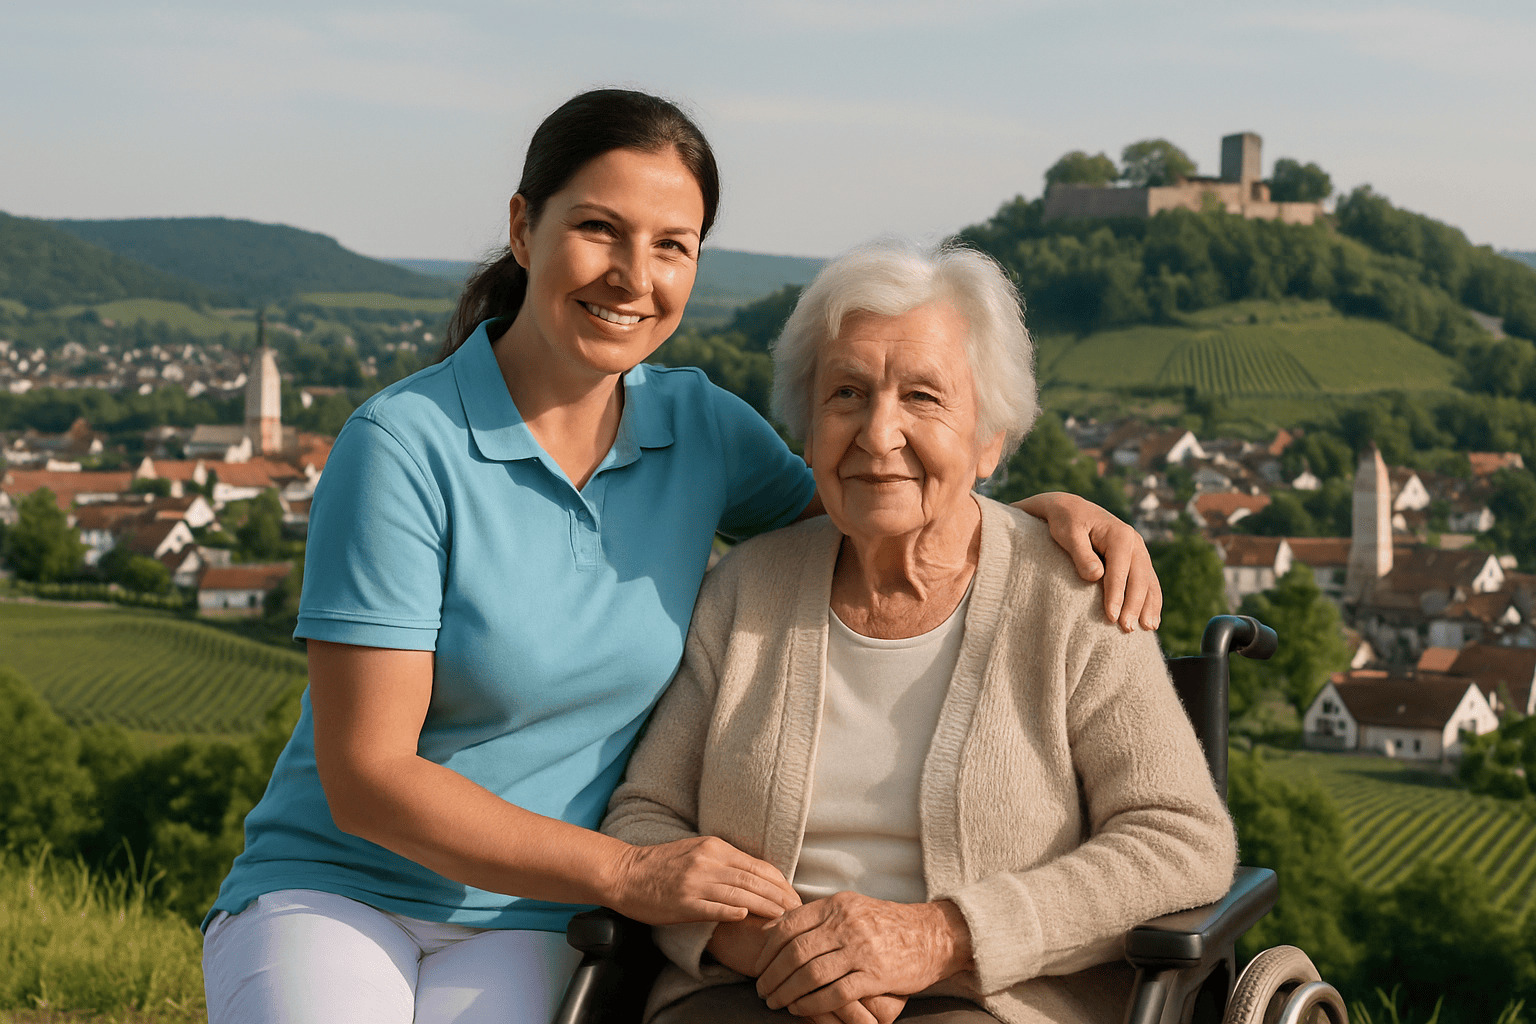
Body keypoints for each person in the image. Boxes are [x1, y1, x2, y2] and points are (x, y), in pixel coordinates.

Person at [201, 90, 1164, 1024]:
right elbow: (366, 776)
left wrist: (1037, 515)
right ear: (524, 228)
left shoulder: (697, 427)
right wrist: (632, 872)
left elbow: (873, 497)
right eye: (598, 230)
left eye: (672, 246)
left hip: (538, 918)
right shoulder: (404, 446)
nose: (633, 275)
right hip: (340, 890)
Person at [603, 241, 1236, 1024]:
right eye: (846, 393)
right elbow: (644, 818)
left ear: (990, 438)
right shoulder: (741, 592)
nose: (878, 433)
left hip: (990, 1003)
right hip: (748, 995)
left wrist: (944, 935)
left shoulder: (1071, 595)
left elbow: (1181, 840)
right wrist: (778, 952)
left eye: (923, 397)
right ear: (807, 428)